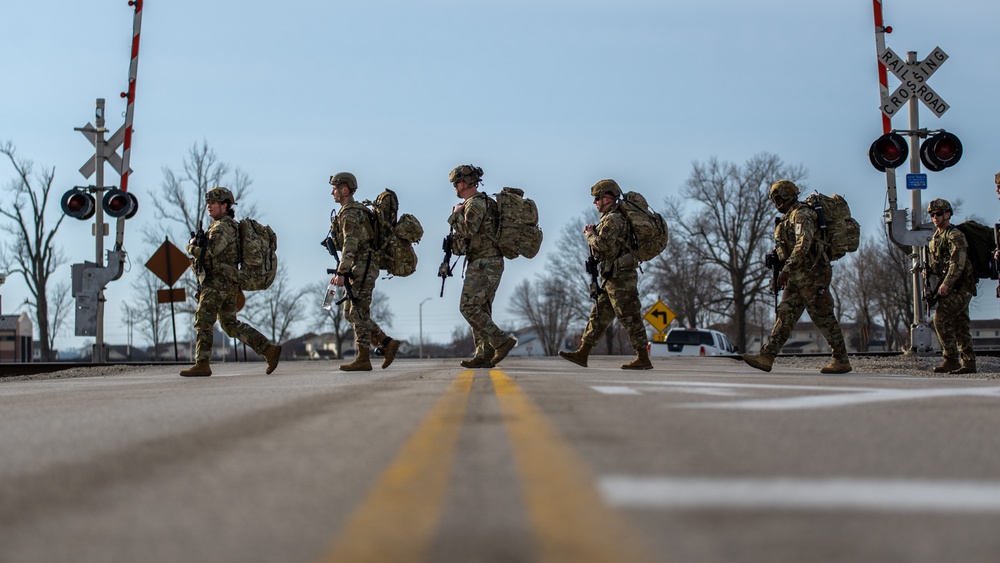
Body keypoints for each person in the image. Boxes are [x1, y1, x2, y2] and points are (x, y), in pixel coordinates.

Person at [742, 180, 852, 374]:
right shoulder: (789, 218)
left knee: (823, 316)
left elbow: (804, 244)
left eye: (777, 199)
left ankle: (841, 359)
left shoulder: (801, 215)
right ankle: (767, 356)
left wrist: (787, 269)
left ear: (783, 197)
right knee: (785, 315)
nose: (776, 204)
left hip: (812, 275)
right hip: (797, 276)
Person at [180, 187, 281, 377]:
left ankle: (202, 363)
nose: (209, 206)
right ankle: (269, 350)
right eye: (208, 203)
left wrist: (191, 246)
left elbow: (210, 252)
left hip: (217, 283)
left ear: (225, 206)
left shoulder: (222, 227)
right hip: (226, 283)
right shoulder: (221, 226)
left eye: (214, 203)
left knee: (203, 320)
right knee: (230, 325)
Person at [558, 179, 652, 370]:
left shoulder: (614, 219)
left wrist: (589, 234)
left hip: (621, 278)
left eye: (597, 198)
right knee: (599, 316)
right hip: (612, 277)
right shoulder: (610, 218)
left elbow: (601, 245)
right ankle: (582, 353)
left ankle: (643, 358)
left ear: (607, 197)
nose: (595, 202)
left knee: (629, 316)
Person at [327, 172, 401, 371]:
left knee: (358, 312)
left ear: (345, 190)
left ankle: (364, 358)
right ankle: (386, 343)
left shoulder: (350, 213)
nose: (332, 192)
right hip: (360, 267)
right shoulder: (354, 211)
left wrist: (341, 272)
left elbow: (350, 245)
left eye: (335, 188)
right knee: (352, 313)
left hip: (362, 268)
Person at [446, 164, 517, 368]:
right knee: (481, 309)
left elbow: (469, 230)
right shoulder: (485, 202)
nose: (455, 189)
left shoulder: (475, 204)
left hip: (484, 262)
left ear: (461, 183)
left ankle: (501, 341)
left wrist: (455, 215)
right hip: (489, 261)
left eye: (455, 184)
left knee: (468, 307)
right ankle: (483, 354)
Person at [925, 198, 977, 374]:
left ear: (948, 214)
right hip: (951, 286)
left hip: (961, 286)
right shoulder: (936, 237)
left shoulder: (954, 235)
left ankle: (951, 359)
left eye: (939, 214)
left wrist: (946, 283)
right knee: (960, 324)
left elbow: (957, 263)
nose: (935, 217)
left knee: (940, 319)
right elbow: (937, 264)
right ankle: (969, 363)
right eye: (932, 214)